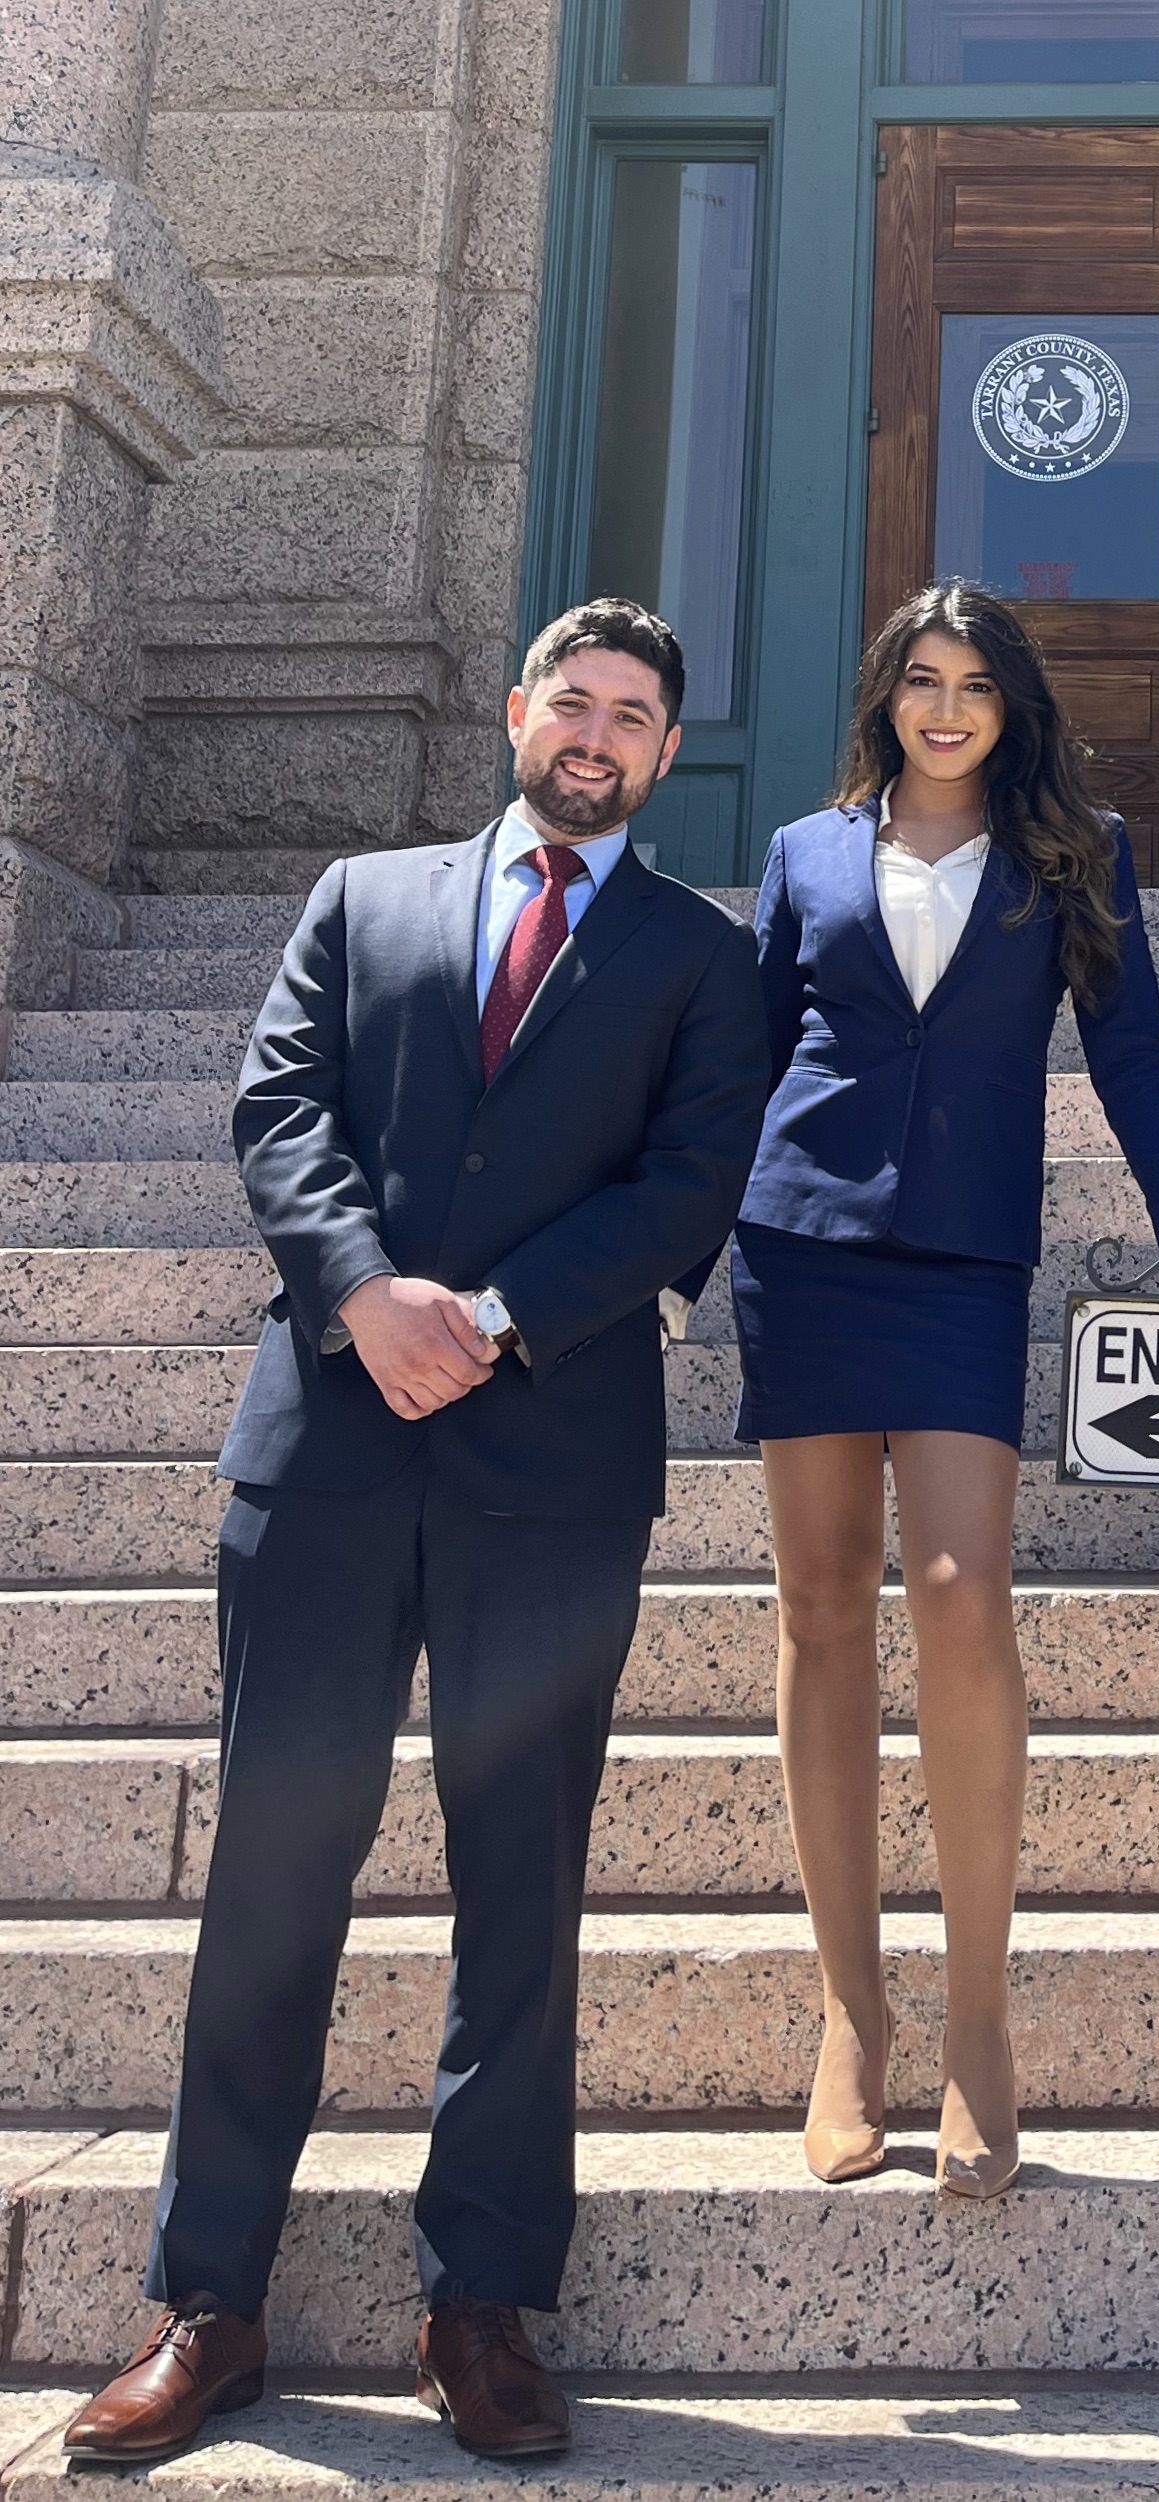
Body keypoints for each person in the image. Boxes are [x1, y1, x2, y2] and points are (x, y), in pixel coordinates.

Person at [63, 599, 771, 2467]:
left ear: (666, 748)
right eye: (575, 700)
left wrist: (504, 1313)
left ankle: (484, 2302)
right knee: (272, 1871)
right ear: (520, 709)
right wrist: (369, 1294)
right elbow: (278, 1105)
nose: (598, 733)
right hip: (328, 1446)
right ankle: (207, 2300)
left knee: (520, 1892)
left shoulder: (706, 956)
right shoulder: (361, 896)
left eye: (636, 714)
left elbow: (693, 1180)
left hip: (551, 1464)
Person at [736, 583, 1159, 2202]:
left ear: (1013, 704)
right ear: (886, 695)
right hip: (800, 1244)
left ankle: (978, 2018)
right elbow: (747, 1058)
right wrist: (661, 1258)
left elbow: (1122, 1049)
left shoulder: (1074, 849)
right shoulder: (804, 851)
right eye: (920, 680)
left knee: (961, 1596)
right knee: (820, 1608)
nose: (945, 708)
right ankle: (853, 2013)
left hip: (967, 1260)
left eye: (973, 684)